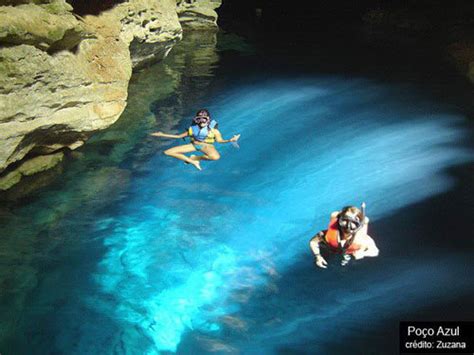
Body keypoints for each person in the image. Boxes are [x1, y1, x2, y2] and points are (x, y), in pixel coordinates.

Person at [150, 109, 241, 171]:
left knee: (216, 157)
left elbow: (220, 141)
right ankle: (192, 161)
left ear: (208, 120)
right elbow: (178, 136)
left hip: (207, 146)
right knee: (168, 152)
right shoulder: (192, 129)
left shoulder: (214, 131)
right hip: (194, 145)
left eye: (204, 119)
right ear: (196, 120)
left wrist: (230, 140)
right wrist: (162, 134)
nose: (202, 122)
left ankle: (197, 158)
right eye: (199, 119)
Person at [309, 203, 379, 268]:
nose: (348, 226)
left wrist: (363, 254)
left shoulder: (362, 240)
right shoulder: (330, 233)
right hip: (330, 249)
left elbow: (375, 251)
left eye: (353, 223)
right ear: (339, 220)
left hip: (349, 254)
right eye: (345, 221)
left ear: (359, 226)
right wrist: (318, 256)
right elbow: (313, 242)